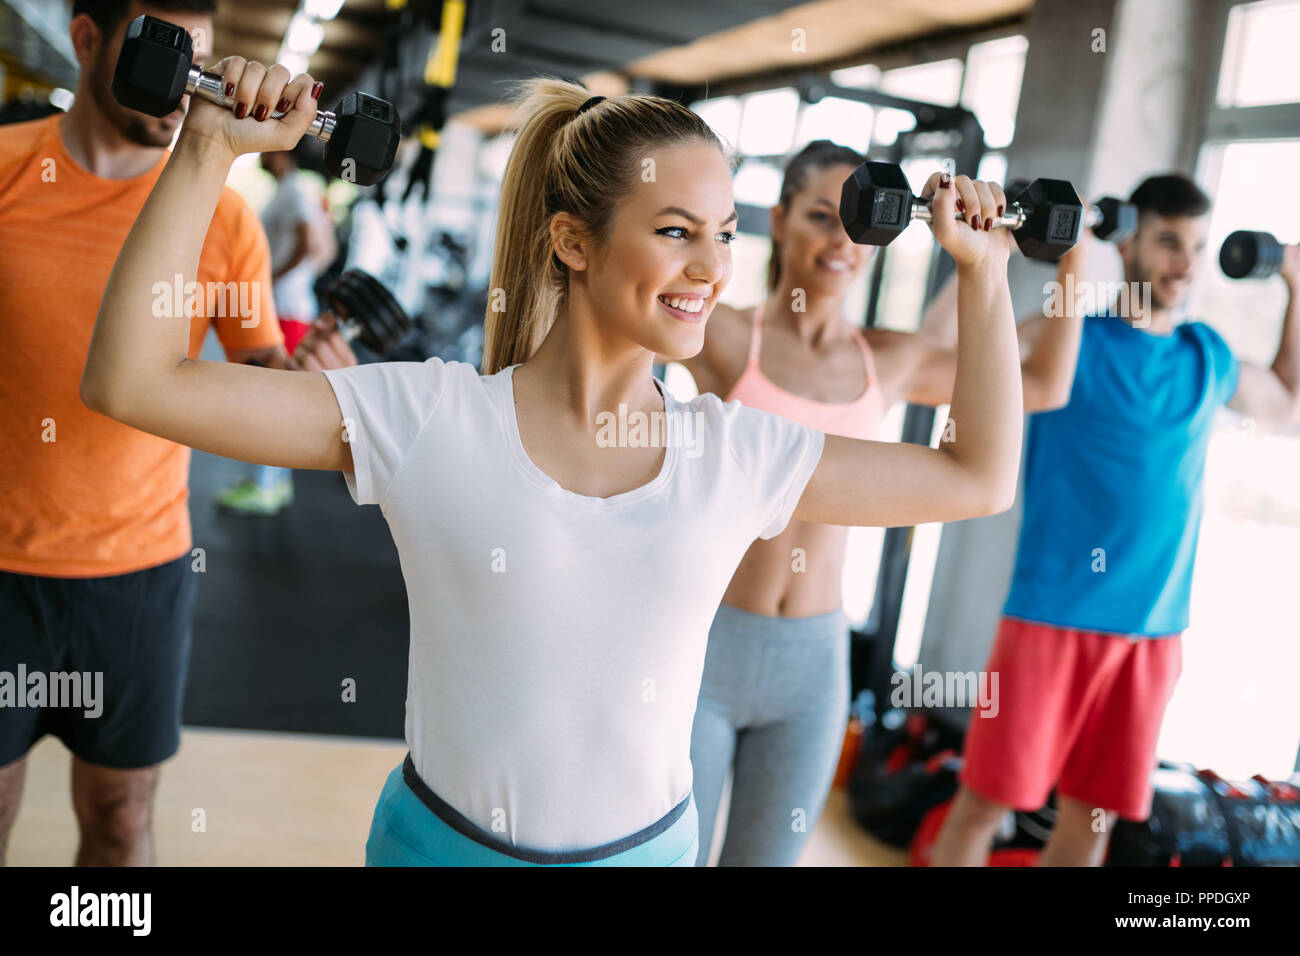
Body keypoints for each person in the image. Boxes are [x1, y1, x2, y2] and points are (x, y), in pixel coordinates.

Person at [81, 61, 1025, 865]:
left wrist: (984, 274)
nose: (712, 268)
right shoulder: (428, 415)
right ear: (573, 239)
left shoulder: (735, 455)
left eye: (726, 234)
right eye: (675, 231)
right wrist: (206, 147)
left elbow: (977, 477)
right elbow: (133, 382)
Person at [0, 0, 353, 866]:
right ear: (86, 41)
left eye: (195, 60)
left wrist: (304, 385)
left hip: (141, 576)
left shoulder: (221, 219)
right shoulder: (7, 173)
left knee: (121, 825)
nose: (179, 87)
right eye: (156, 53)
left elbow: (259, 364)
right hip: (3, 573)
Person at [673, 140, 1086, 866]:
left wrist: (1072, 255)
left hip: (813, 661)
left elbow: (1043, 385)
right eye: (818, 217)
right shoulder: (726, 335)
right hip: (708, 645)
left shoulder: (887, 360)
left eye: (855, 222)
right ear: (780, 218)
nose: (838, 240)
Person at [930, 173, 1300, 866]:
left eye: (1194, 245)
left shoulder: (1205, 356)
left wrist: (1297, 288)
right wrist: (988, 245)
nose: (1184, 263)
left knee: (1091, 822)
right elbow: (962, 351)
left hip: (1152, 634)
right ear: (1125, 240)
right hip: (1050, 618)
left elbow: (1287, 402)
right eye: (1167, 242)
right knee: (983, 807)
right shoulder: (1071, 338)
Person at [214, 144, 325, 516]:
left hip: (287, 308)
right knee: (270, 393)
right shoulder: (290, 190)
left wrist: (271, 279)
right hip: (287, 304)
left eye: (265, 153)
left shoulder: (294, 189)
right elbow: (321, 249)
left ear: (278, 155)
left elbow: (311, 244)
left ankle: (266, 487)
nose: (259, 157)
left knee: (271, 396)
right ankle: (274, 482)